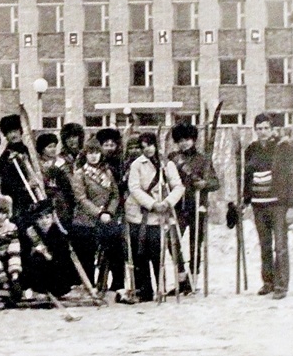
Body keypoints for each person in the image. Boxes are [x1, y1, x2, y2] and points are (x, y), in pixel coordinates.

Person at [244, 113, 293, 300]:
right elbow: (247, 176)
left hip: (278, 204)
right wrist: (245, 201)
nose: (262, 132)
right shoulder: (251, 149)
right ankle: (268, 282)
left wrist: (292, 206)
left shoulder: (283, 148)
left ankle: (281, 285)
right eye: (259, 129)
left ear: (272, 129)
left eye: (266, 128)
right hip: (259, 205)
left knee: (280, 246)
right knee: (265, 245)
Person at [125, 133, 184, 301]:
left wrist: (167, 202)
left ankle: (161, 287)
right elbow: (134, 188)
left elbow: (178, 186)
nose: (147, 149)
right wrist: (152, 204)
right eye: (143, 147)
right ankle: (144, 289)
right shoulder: (137, 165)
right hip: (139, 214)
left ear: (156, 145)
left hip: (160, 216)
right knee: (140, 253)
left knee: (157, 251)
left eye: (150, 145)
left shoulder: (167, 164)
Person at [169, 123, 220, 291]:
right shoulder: (173, 158)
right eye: (180, 140)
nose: (184, 143)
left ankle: (192, 280)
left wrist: (204, 184)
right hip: (178, 207)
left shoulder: (203, 160)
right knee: (172, 240)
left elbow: (215, 183)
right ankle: (182, 274)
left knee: (195, 245)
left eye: (187, 140)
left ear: (193, 140)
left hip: (198, 207)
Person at [70, 137, 124, 292]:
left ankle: (117, 285)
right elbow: (81, 198)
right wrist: (99, 212)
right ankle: (89, 286)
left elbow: (114, 194)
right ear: (85, 155)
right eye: (90, 153)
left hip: (106, 217)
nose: (93, 156)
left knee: (116, 248)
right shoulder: (80, 174)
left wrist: (109, 211)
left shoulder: (107, 172)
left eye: (96, 153)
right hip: (86, 219)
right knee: (87, 254)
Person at [19, 199, 77, 297]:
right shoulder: (30, 233)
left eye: (47, 217)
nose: (44, 221)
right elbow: (24, 254)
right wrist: (33, 251)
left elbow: (63, 259)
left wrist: (48, 255)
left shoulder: (59, 235)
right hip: (36, 271)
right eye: (40, 218)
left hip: (54, 273)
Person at [0, 114, 44, 225]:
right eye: (9, 132)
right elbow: (6, 185)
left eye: (15, 131)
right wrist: (25, 187)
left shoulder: (28, 150)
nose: (13, 135)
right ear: (5, 135)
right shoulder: (5, 158)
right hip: (19, 204)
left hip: (36, 199)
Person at [36, 133, 75, 231]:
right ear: (42, 148)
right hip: (45, 200)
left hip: (62, 202)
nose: (53, 149)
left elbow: (70, 182)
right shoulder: (37, 165)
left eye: (54, 146)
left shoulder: (63, 162)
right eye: (49, 147)